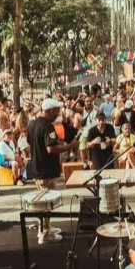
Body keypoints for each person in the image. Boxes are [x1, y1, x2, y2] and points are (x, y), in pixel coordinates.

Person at [27, 98, 79, 244]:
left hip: (36, 169)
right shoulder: (48, 127)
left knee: (42, 202)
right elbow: (52, 148)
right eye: (56, 111)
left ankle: (45, 227)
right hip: (46, 171)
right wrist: (71, 145)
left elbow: (30, 142)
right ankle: (44, 233)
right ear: (49, 111)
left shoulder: (32, 124)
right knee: (46, 204)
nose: (58, 114)